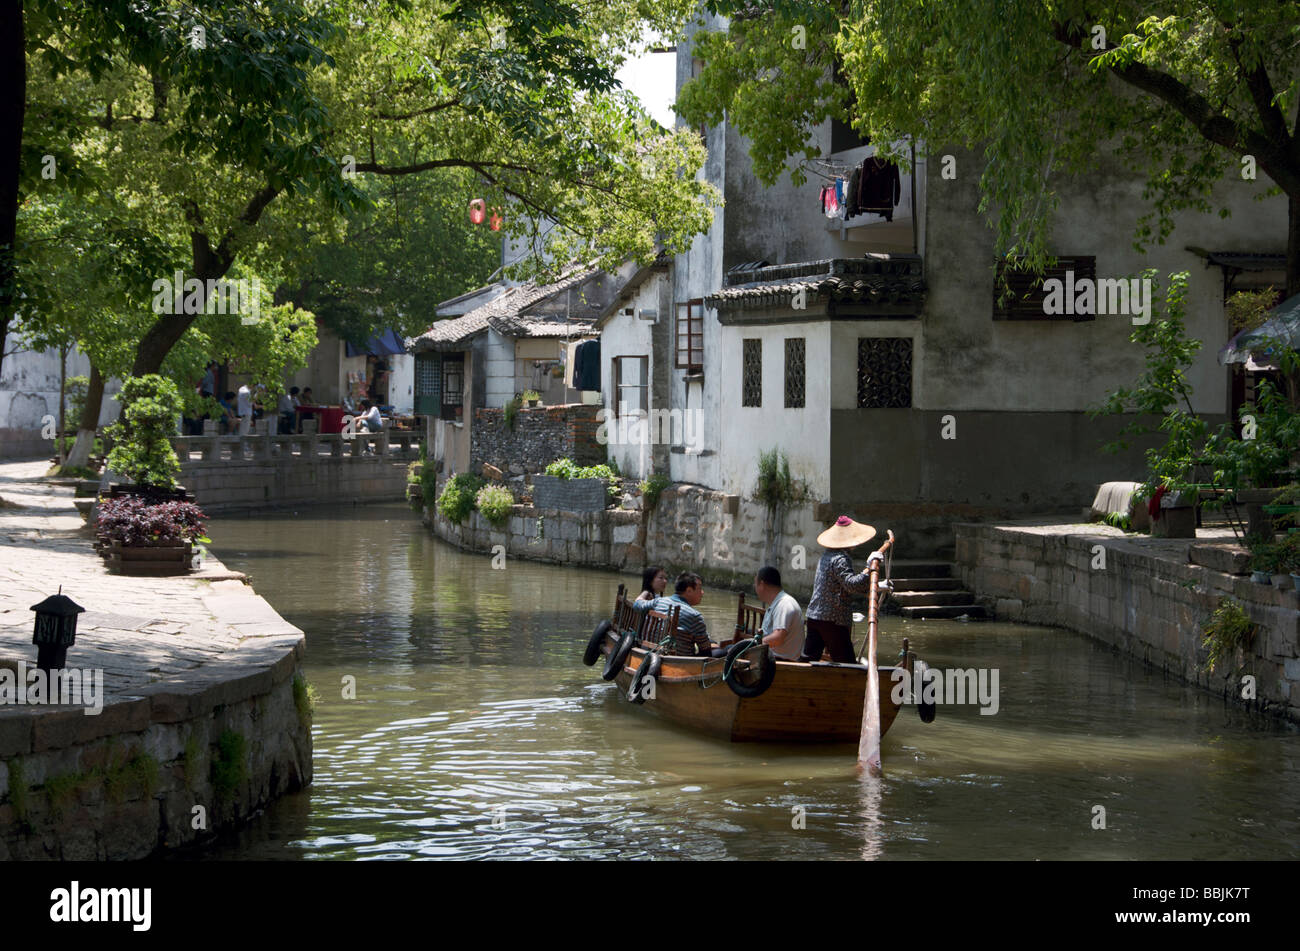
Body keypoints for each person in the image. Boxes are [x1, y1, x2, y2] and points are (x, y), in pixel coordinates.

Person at [800, 515, 879, 664]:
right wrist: (868, 569)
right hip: (832, 619)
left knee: (808, 659)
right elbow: (852, 585)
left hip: (814, 616)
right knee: (846, 663)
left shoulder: (826, 556)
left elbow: (841, 585)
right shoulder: (841, 559)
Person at [631, 572, 711, 656]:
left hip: (651, 652)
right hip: (679, 661)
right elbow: (705, 650)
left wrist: (646, 591)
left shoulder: (659, 601)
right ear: (689, 590)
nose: (702, 592)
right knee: (724, 651)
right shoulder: (694, 616)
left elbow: (637, 604)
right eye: (699, 588)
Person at [754, 566, 804, 661]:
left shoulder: (784, 604)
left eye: (755, 584)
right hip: (771, 657)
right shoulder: (777, 602)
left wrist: (753, 644)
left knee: (722, 653)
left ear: (762, 584)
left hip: (780, 662)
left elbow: (778, 638)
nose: (755, 588)